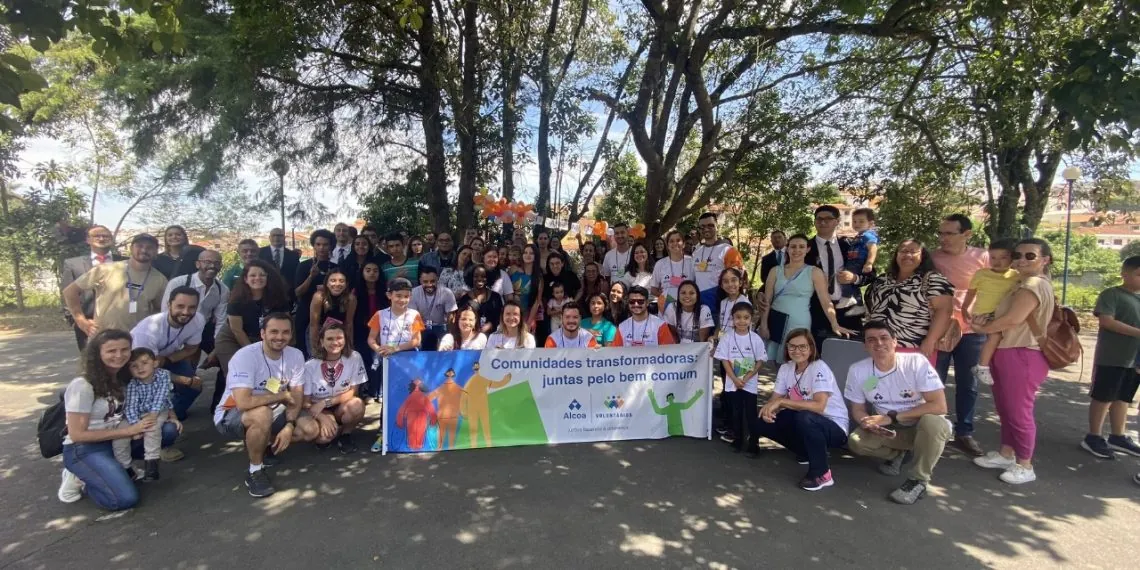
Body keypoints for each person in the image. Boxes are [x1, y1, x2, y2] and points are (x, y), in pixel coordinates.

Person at [57, 330, 181, 510]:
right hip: (86, 447)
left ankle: (114, 468)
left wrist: (173, 416)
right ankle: (82, 478)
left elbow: (158, 392)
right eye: (111, 351)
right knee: (124, 499)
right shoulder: (82, 385)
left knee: (168, 430)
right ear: (98, 354)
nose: (119, 355)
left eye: (124, 350)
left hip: (119, 438)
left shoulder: (128, 376)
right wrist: (129, 431)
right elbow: (77, 435)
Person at [970, 239, 1056, 484]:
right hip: (1008, 350)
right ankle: (1007, 454)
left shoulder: (1033, 284)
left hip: (1022, 353)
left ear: (1045, 260)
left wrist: (983, 328)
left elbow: (1012, 319)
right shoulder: (1020, 282)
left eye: (1030, 256)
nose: (1021, 260)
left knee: (1019, 413)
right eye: (1017, 255)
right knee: (1006, 408)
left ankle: (1025, 465)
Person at [844, 321, 951, 505]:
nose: (878, 343)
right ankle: (899, 455)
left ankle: (919, 480)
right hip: (889, 429)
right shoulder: (858, 370)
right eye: (871, 340)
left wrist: (891, 417)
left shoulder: (915, 362)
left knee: (934, 423)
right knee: (857, 442)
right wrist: (866, 421)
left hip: (920, 427)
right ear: (865, 346)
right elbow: (858, 409)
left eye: (884, 338)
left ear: (895, 341)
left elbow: (940, 406)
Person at [214, 313, 318, 498]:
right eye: (274, 332)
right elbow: (243, 402)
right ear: (262, 333)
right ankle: (255, 471)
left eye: (285, 332)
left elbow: (296, 395)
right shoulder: (245, 356)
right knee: (262, 414)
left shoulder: (295, 355)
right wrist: (281, 395)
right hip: (232, 413)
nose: (280, 337)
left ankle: (264, 444)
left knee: (310, 430)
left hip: (275, 408)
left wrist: (289, 425)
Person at [751, 329, 850, 491]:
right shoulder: (786, 368)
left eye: (802, 346)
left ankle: (822, 474)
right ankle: (806, 452)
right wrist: (769, 410)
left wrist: (781, 402)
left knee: (805, 417)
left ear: (811, 348)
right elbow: (774, 399)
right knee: (761, 419)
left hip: (833, 426)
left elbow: (819, 406)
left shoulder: (819, 368)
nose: (797, 351)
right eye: (792, 346)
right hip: (805, 420)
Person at [930, 213, 991, 456]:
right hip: (940, 329)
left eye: (949, 233)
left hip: (972, 331)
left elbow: (994, 288)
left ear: (967, 234)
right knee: (934, 381)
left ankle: (964, 432)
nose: (943, 238)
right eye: (941, 233)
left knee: (969, 383)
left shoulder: (982, 257)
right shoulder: (933, 258)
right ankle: (934, 430)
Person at [211, 260, 292, 411]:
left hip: (266, 337)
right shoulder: (237, 301)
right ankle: (229, 409)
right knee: (241, 372)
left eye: (262, 275)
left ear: (268, 277)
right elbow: (237, 330)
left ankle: (268, 402)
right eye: (253, 275)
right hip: (233, 338)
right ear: (246, 279)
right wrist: (256, 354)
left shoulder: (278, 299)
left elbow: (286, 324)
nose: (257, 278)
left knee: (271, 371)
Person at [1080, 256, 1140, 459]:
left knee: (1123, 397)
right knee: (1104, 396)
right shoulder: (1112, 294)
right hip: (1112, 357)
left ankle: (1118, 436)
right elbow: (1107, 321)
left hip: (1133, 359)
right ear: (1124, 274)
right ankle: (1094, 436)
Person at [864, 239, 955, 365]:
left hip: (915, 350)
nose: (907, 255)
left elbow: (945, 310)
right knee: (874, 377)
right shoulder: (882, 280)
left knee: (912, 379)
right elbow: (870, 309)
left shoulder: (932, 279)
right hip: (878, 348)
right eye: (903, 251)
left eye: (913, 252)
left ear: (922, 255)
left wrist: (931, 340)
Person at [64, 233, 168, 336]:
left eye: (149, 247)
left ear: (156, 252)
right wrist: (81, 321)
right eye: (139, 246)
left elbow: (161, 310)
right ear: (131, 248)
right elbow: (69, 292)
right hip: (103, 337)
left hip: (137, 338)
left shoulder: (160, 279)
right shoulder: (106, 269)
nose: (144, 250)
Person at [130, 286, 205, 426]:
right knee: (153, 392)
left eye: (192, 307)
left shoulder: (198, 320)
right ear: (169, 305)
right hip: (139, 366)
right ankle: (152, 422)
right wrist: (184, 380)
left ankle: (171, 418)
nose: (186, 312)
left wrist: (168, 359)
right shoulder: (148, 330)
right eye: (180, 306)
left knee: (195, 387)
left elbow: (191, 348)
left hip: (168, 357)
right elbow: (147, 372)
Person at [367, 278, 425, 452]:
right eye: (398, 295)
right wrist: (379, 349)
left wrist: (396, 348)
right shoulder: (380, 315)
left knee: (409, 395)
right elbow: (371, 339)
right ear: (389, 295)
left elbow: (416, 340)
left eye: (406, 296)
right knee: (388, 397)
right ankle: (383, 433)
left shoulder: (414, 315)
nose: (402, 300)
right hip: (388, 362)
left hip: (409, 360)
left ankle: (410, 431)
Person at [803, 206, 871, 346]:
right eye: (819, 219)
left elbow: (870, 274)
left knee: (851, 354)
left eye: (828, 218)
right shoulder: (805, 249)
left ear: (837, 221)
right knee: (819, 354)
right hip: (817, 312)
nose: (823, 222)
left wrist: (854, 278)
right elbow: (789, 274)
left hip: (850, 310)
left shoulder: (851, 245)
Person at [962, 239, 1022, 385]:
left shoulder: (1017, 276)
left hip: (1004, 314)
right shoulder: (981, 274)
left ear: (1012, 258)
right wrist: (965, 307)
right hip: (984, 314)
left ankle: (994, 366)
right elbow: (971, 292)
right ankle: (982, 366)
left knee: (1003, 339)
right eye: (993, 257)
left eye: (1003, 257)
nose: (997, 261)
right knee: (995, 336)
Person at [302, 323, 367, 454]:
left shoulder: (354, 357)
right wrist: (322, 417)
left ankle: (345, 434)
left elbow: (354, 391)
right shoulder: (310, 366)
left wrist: (326, 402)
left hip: (341, 404)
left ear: (345, 339)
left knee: (357, 405)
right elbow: (305, 403)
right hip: (319, 409)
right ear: (322, 342)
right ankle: (332, 430)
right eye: (330, 339)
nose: (335, 342)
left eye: (339, 338)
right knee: (323, 439)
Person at [60, 225, 125, 351]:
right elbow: (67, 292)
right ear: (88, 240)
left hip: (120, 320)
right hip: (88, 323)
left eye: (105, 236)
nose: (101, 239)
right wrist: (78, 321)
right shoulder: (73, 264)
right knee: (90, 359)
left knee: (120, 358)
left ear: (112, 239)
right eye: (96, 236)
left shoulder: (124, 262)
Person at [123, 347, 183, 481]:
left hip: (159, 410)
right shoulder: (133, 384)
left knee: (153, 427)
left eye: (144, 363)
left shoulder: (163, 375)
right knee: (122, 437)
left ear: (155, 363)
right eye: (134, 366)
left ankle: (151, 463)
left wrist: (153, 415)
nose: (140, 368)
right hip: (140, 414)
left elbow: (160, 397)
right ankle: (126, 466)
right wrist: (135, 425)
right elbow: (131, 406)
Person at [714, 302, 764, 450]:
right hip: (732, 382)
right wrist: (735, 379)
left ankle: (754, 443)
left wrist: (746, 378)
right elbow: (724, 360)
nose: (742, 321)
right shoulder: (727, 338)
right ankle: (738, 439)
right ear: (732, 318)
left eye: (746, 317)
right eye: (738, 317)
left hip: (750, 383)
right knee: (735, 412)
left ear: (751, 319)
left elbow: (760, 361)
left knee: (750, 413)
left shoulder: (756, 339)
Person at [162, 249, 228, 359]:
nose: (212, 266)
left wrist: (217, 348)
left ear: (220, 266)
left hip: (203, 330)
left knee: (222, 357)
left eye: (216, 263)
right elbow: (165, 312)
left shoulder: (222, 289)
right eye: (207, 262)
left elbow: (221, 320)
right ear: (198, 264)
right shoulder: (178, 283)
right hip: (178, 327)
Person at [692, 213, 745, 322]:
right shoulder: (697, 252)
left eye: (710, 225)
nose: (706, 229)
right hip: (700, 308)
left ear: (717, 226)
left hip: (720, 308)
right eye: (702, 227)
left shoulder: (728, 250)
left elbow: (737, 281)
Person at [294, 229, 337, 359]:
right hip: (306, 313)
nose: (322, 248)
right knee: (305, 352)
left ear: (331, 246)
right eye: (318, 244)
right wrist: (311, 277)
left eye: (325, 244)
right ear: (314, 245)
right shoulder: (304, 266)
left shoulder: (336, 267)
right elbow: (298, 292)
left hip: (328, 313)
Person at [353, 260, 388, 400]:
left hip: (381, 330)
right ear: (362, 273)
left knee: (378, 361)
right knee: (365, 360)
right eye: (368, 270)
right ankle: (366, 390)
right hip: (361, 330)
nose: (372, 273)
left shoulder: (385, 291)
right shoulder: (356, 291)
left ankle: (377, 391)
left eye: (375, 270)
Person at [309, 269, 356, 353]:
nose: (337, 284)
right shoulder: (319, 297)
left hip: (339, 333)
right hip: (319, 332)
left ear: (346, 284)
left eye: (341, 281)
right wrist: (315, 347)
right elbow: (314, 325)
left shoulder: (351, 299)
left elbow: (349, 323)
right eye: (333, 280)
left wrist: (349, 345)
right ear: (327, 283)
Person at [411, 266, 458, 351]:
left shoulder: (447, 293)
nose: (429, 284)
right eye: (425, 282)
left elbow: (451, 318)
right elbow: (413, 318)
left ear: (438, 279)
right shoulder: (413, 293)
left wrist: (450, 336)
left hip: (441, 327)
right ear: (420, 280)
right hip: (421, 328)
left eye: (432, 281)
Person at [652, 230, 695, 311]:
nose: (675, 243)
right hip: (666, 308)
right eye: (671, 241)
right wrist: (667, 297)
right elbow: (654, 289)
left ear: (684, 244)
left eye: (678, 240)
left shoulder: (692, 262)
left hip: (688, 307)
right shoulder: (660, 264)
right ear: (667, 245)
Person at [458, 264, 506, 335]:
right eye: (476, 276)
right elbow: (461, 320)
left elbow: (501, 318)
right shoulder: (464, 299)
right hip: (471, 336)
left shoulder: (496, 297)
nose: (480, 279)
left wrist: (491, 325)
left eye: (483, 276)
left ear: (488, 278)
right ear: (471, 278)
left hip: (493, 336)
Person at [842, 208, 880, 299]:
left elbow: (873, 248)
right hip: (854, 261)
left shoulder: (867, 235)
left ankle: (847, 298)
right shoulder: (860, 235)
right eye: (854, 221)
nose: (857, 224)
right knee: (849, 280)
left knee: (846, 277)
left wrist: (869, 263)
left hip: (859, 262)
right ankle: (852, 298)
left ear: (870, 224)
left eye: (861, 221)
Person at [509, 244, 544, 331]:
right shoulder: (513, 270)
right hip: (509, 313)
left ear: (535, 256)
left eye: (531, 253)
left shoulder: (538, 278)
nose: (528, 255)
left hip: (526, 315)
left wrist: (529, 322)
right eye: (525, 252)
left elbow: (536, 302)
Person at [258, 228, 301, 293]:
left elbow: (296, 274)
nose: (276, 238)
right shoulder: (260, 252)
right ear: (269, 237)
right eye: (274, 235)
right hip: (265, 292)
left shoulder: (293, 255)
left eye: (279, 235)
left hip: (287, 293)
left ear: (284, 238)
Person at [716, 267, 750, 339]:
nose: (730, 284)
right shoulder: (723, 302)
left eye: (733, 280)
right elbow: (721, 324)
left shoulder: (744, 303)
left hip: (737, 341)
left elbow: (745, 328)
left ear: (740, 283)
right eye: (726, 281)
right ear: (722, 285)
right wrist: (715, 335)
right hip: (723, 340)